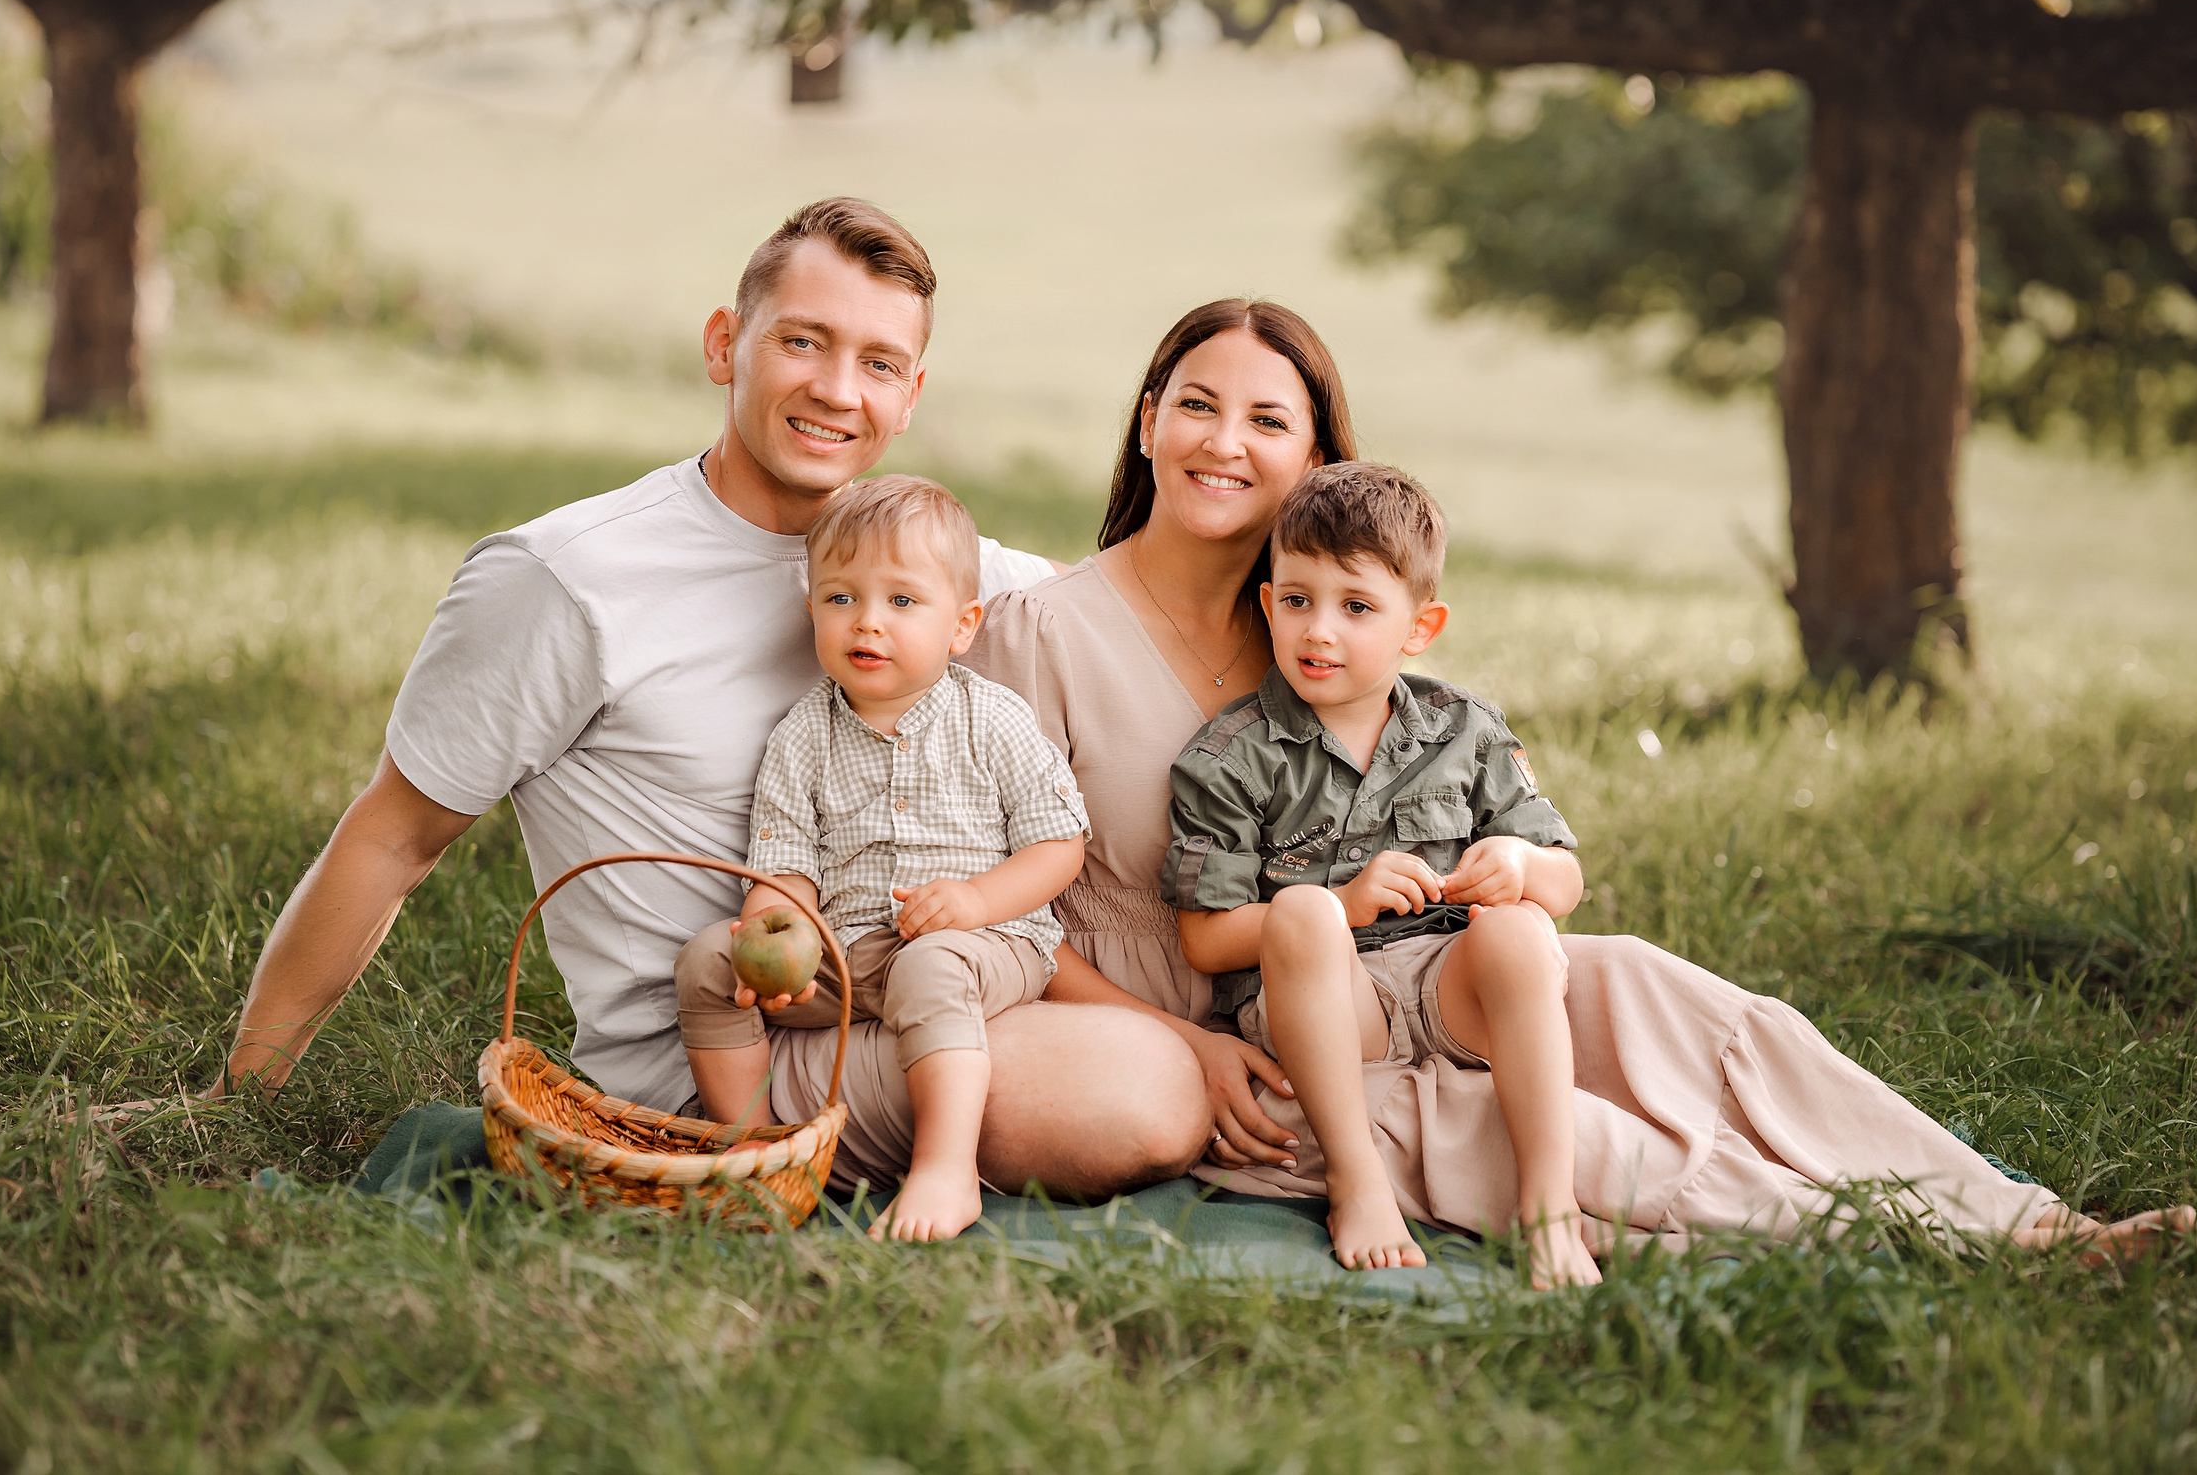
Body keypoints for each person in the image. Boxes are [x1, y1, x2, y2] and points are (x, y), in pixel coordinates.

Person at [964, 296, 2197, 1264]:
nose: (1224, 442)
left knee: (1665, 998)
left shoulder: (1325, 628)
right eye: (1196, 405)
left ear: (1317, 462)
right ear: (1148, 421)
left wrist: (1506, 875)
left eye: (1267, 421)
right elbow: (989, 907)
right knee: (1574, 1135)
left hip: (1420, 974)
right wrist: (1181, 1046)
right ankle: (1948, 1245)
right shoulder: (1041, 634)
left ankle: (2019, 1213)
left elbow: (1488, 818)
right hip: (1233, 1045)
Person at [156, 196, 1213, 1200]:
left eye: (878, 363)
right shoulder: (569, 581)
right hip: (719, 1053)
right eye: (802, 342)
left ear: (910, 396)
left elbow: (1124, 612)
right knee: (1147, 1090)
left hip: (911, 983)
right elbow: (393, 836)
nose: (837, 390)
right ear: (724, 344)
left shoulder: (920, 564)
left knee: (1186, 1044)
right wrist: (241, 1100)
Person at [1168, 461, 1595, 1281]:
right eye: (1298, 600)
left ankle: (1550, 1204)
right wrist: (1343, 902)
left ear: (1419, 626)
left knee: (1520, 928)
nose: (1319, 631)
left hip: (1446, 986)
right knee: (1305, 912)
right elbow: (1205, 939)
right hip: (1328, 1006)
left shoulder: (1465, 729)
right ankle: (1357, 1179)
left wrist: (1518, 863)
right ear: (1269, 605)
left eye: (1356, 607)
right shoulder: (1232, 756)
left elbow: (1566, 881)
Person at [673, 476, 1088, 1241]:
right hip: (849, 952)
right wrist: (776, 933)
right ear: (812, 609)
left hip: (983, 943)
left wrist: (976, 901)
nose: (868, 621)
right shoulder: (802, 736)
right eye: (842, 597)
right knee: (708, 961)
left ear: (962, 625)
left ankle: (946, 1168)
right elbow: (787, 866)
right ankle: (757, 1147)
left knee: (931, 965)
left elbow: (1059, 842)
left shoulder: (993, 718)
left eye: (901, 600)